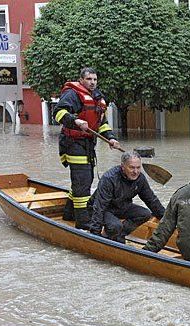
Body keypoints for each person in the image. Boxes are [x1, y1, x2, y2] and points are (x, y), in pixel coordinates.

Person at [53, 67, 120, 229]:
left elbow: (101, 123)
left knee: (84, 180)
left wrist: (110, 138)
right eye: (89, 79)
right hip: (73, 143)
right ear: (81, 80)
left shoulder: (97, 97)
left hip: (88, 144)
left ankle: (69, 213)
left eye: (95, 79)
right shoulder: (72, 94)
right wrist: (75, 121)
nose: (92, 82)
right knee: (82, 182)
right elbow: (58, 113)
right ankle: (83, 222)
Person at [89, 151, 165, 243]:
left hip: (122, 206)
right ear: (123, 167)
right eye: (132, 168)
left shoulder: (140, 179)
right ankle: (111, 234)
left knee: (145, 214)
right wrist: (95, 234)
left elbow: (151, 200)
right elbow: (99, 207)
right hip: (105, 208)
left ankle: (120, 234)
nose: (135, 171)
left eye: (138, 167)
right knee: (115, 226)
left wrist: (166, 218)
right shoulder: (109, 179)